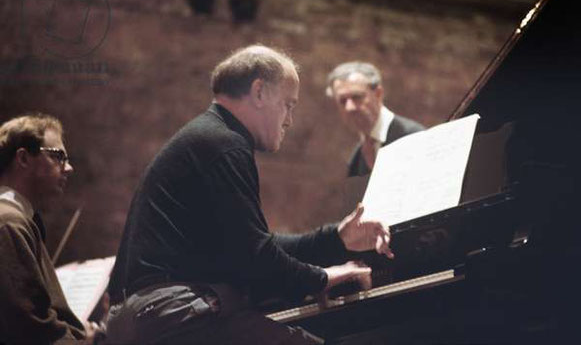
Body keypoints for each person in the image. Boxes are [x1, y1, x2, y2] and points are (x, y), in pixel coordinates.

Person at [105, 45, 394, 345]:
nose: (289, 120)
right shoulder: (224, 144)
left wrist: (335, 239)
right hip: (168, 313)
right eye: (288, 104)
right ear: (259, 93)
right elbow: (257, 259)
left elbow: (250, 243)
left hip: (142, 316)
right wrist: (323, 277)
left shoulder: (209, 136)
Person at [0, 114, 97, 344]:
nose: (69, 168)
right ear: (23, 158)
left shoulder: (15, 217)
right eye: (59, 157)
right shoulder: (9, 223)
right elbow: (31, 328)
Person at [327, 61, 425, 177]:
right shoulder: (356, 159)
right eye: (342, 101)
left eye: (357, 97)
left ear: (378, 94)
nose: (349, 107)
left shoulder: (414, 137)